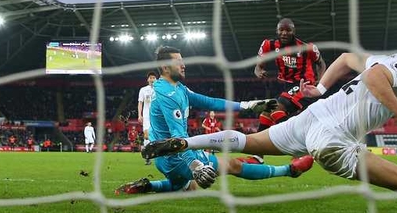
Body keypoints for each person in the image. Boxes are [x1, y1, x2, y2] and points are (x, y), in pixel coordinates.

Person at [143, 28, 397, 213]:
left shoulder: (393, 58)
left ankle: (187, 142)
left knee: (251, 142)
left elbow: (347, 58)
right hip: (333, 138)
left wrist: (321, 89)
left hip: (314, 116)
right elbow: (375, 78)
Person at [115, 46, 314, 195]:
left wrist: (246, 105)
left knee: (187, 187)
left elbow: (209, 102)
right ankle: (290, 170)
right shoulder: (169, 95)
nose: (183, 65)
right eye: (179, 62)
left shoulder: (176, 88)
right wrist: (196, 166)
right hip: (175, 157)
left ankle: (148, 185)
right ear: (165, 67)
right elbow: (178, 137)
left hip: (165, 160)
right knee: (232, 165)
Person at [243, 18, 327, 164]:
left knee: (277, 109)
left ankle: (299, 148)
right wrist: (259, 70)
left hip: (304, 85)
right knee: (266, 113)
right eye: (281, 30)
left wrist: (320, 82)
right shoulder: (269, 45)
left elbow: (321, 63)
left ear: (294, 31)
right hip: (285, 85)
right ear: (277, 31)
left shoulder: (306, 48)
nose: (284, 33)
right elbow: (258, 65)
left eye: (288, 30)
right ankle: (258, 155)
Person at [138, 71, 157, 164]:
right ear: (148, 79)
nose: (152, 79)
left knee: (157, 135)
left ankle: (156, 154)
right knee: (146, 136)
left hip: (157, 115)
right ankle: (147, 156)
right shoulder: (143, 90)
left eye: (154, 78)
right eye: (150, 78)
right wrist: (139, 115)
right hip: (147, 115)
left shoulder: (159, 89)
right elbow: (140, 103)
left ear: (156, 79)